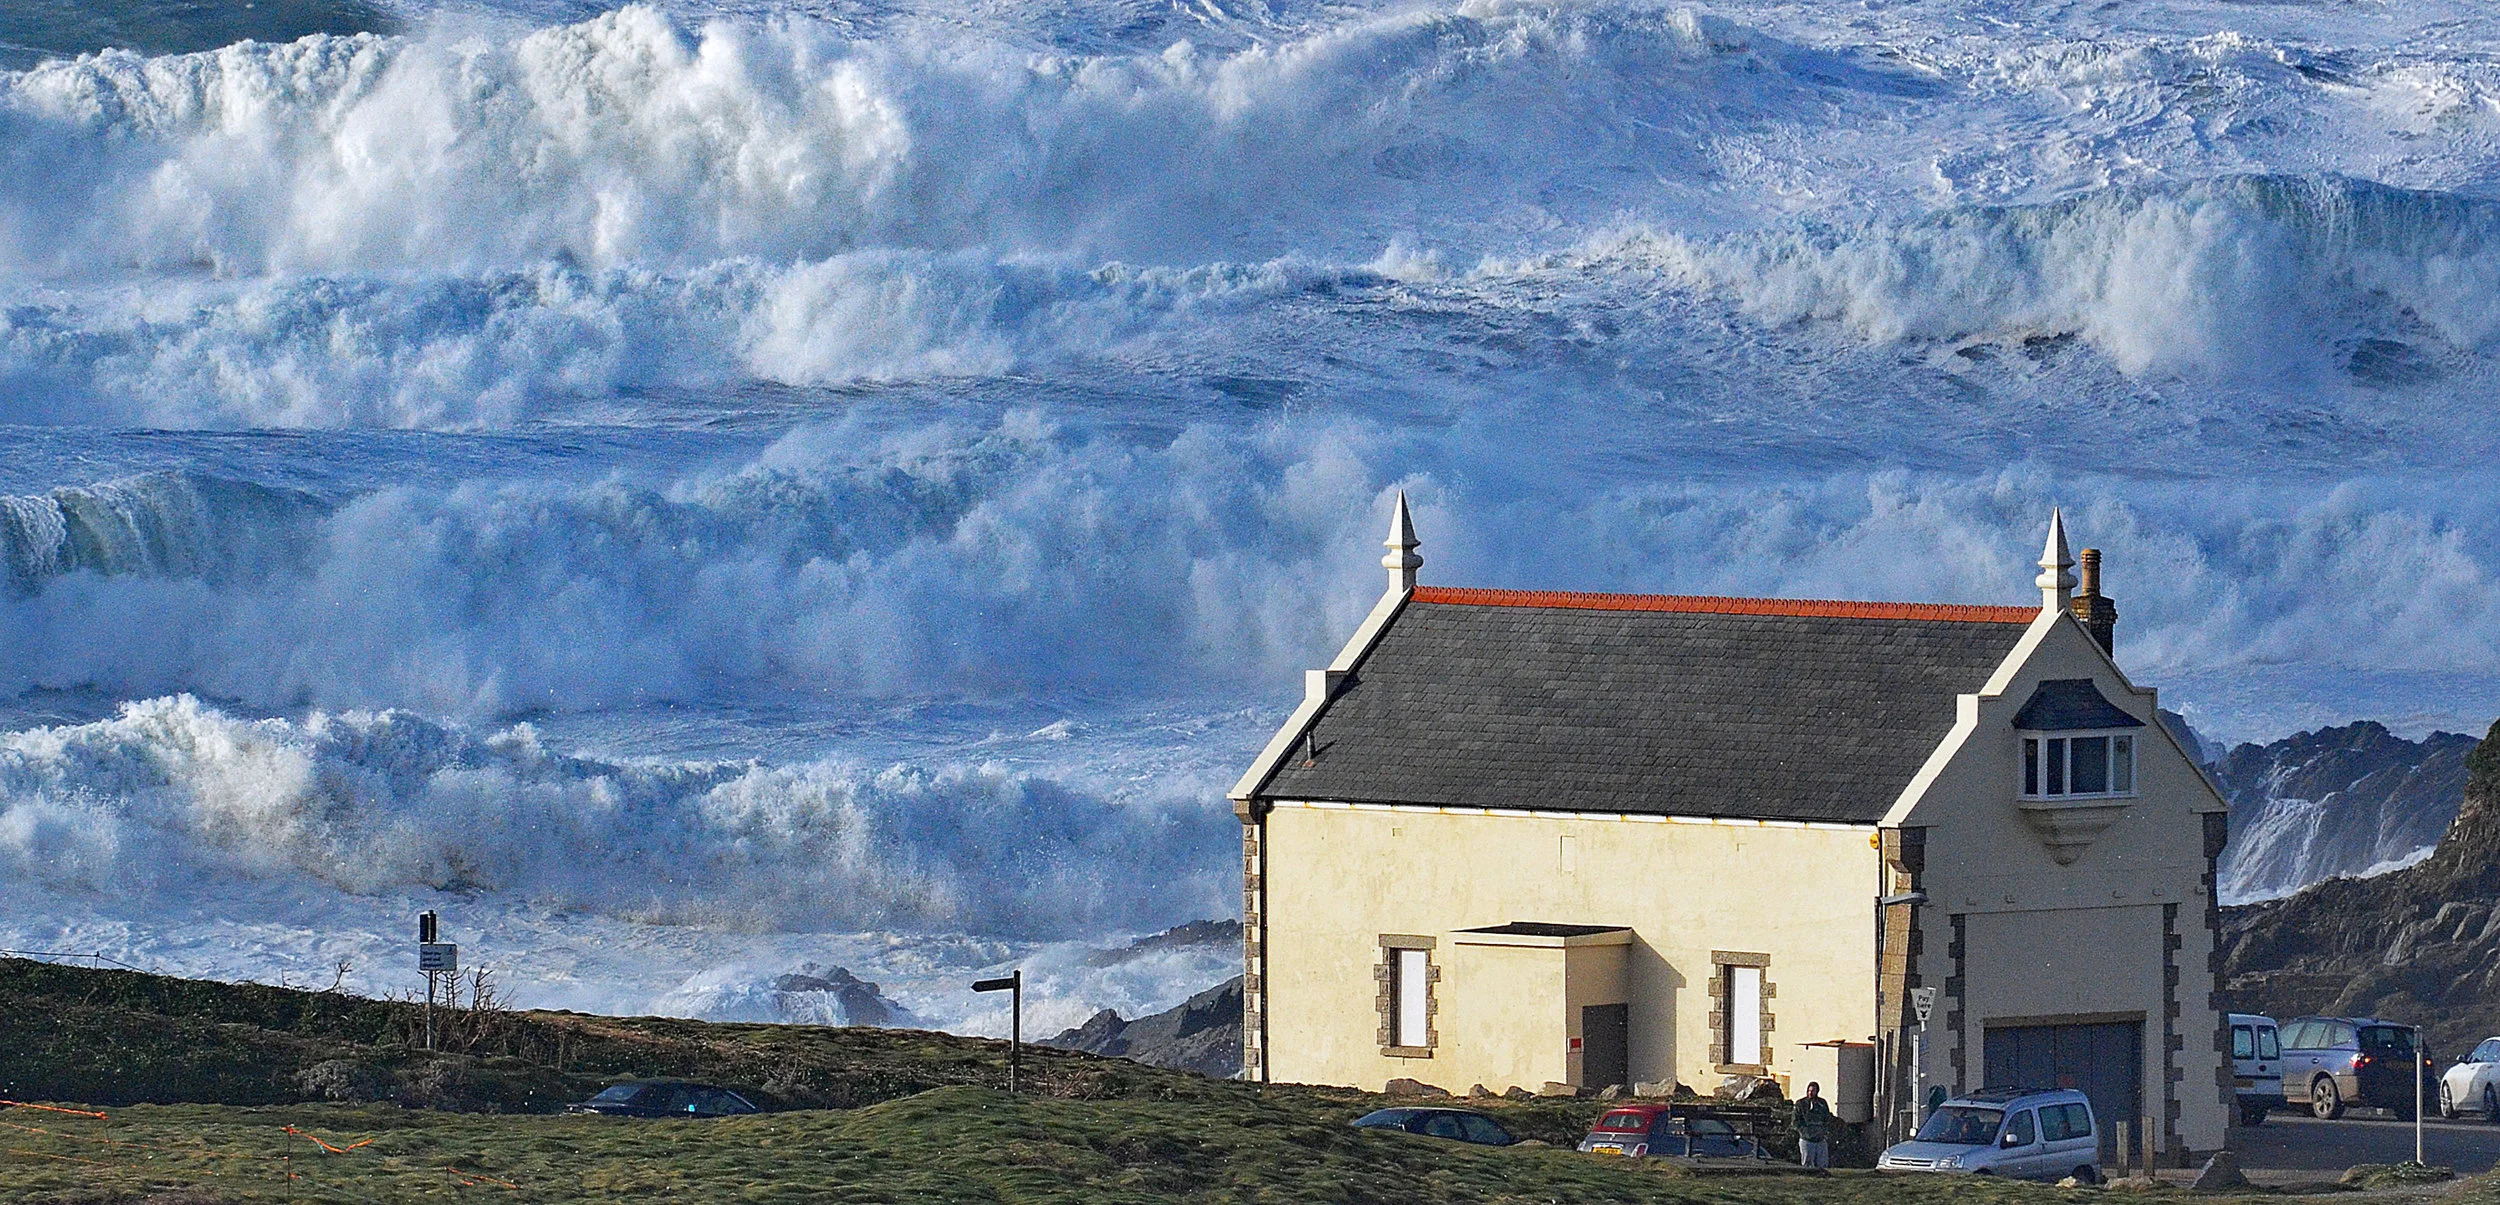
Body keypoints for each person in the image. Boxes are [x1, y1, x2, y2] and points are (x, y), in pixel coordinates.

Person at [1794, 1081, 1834, 1168]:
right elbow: (1796, 1121)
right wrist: (1805, 1133)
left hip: (1820, 1139)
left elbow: (1827, 1119)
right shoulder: (1800, 1104)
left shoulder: (1822, 1104)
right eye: (1809, 1090)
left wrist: (1824, 1132)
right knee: (1807, 1165)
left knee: (1822, 1164)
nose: (1810, 1093)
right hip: (1807, 1140)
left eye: (1813, 1091)